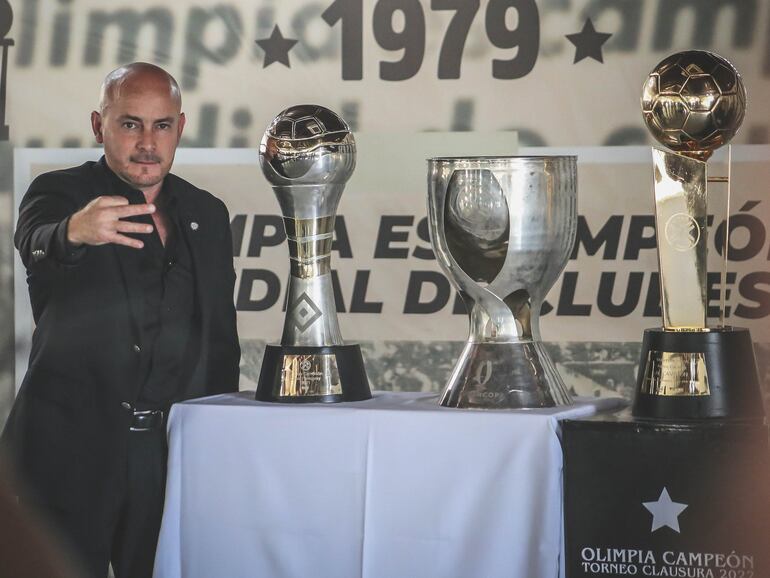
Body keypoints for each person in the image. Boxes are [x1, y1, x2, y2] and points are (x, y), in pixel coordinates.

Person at [1, 62, 241, 577]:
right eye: (130, 123)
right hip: (69, 452)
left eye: (161, 125)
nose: (147, 142)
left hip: (168, 454)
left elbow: (220, 337)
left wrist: (220, 441)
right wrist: (73, 231)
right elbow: (35, 244)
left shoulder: (207, 212)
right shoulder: (60, 193)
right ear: (98, 125)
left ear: (180, 126)